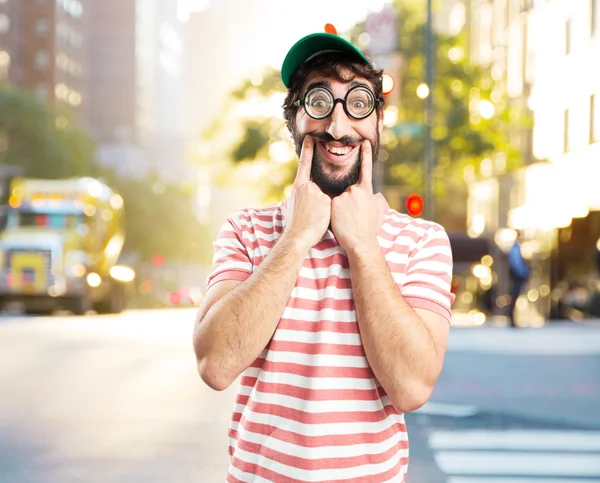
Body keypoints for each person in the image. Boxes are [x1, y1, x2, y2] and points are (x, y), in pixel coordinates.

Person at [193, 30, 455, 482]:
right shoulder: (245, 230)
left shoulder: (423, 241)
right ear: (294, 120)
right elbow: (215, 365)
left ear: (377, 124)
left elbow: (412, 388)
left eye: (356, 104)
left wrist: (362, 246)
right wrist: (296, 238)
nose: (337, 127)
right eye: (318, 103)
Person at [507, 231, 531, 327]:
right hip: (517, 276)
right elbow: (516, 264)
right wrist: (524, 273)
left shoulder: (517, 248)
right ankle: (511, 319)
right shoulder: (515, 249)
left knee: (514, 297)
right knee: (514, 296)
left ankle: (512, 319)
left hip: (517, 275)